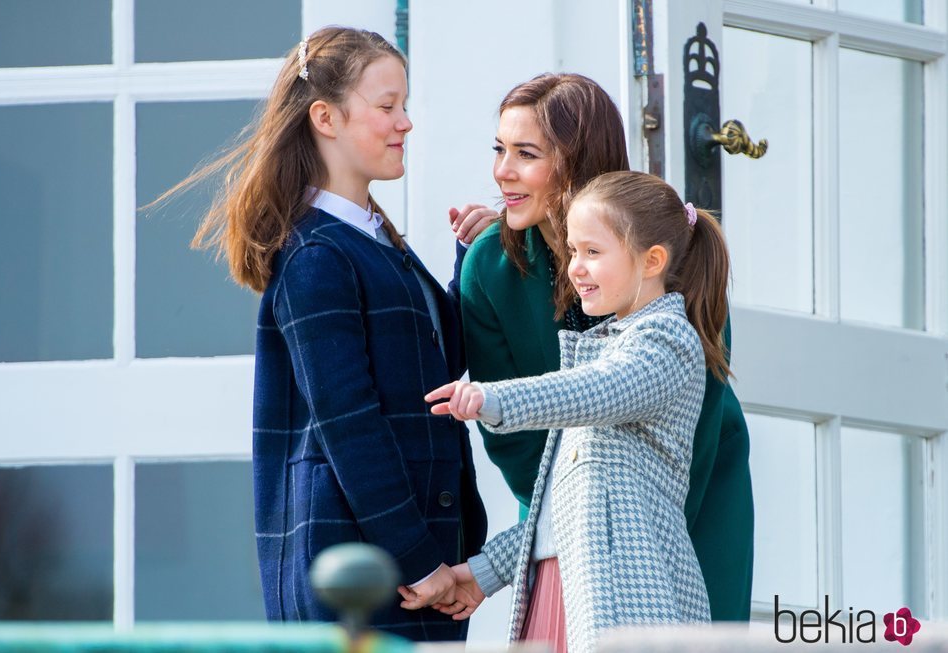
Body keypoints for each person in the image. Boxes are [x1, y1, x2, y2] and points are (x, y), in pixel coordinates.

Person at [170, 27, 489, 641]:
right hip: (365, 575)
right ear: (326, 117)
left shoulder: (372, 239)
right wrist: (418, 559)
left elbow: (433, 362)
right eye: (387, 105)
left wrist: (471, 260)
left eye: (405, 105)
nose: (406, 123)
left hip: (412, 563)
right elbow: (350, 425)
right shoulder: (317, 254)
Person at [456, 73, 753, 621]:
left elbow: (702, 416)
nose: (502, 171)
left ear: (574, 161)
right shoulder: (488, 268)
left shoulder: (662, 249)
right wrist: (573, 524)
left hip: (691, 490)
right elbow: (518, 452)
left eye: (526, 153)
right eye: (500, 149)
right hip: (565, 495)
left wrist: (645, 538)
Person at [419, 170, 730, 653]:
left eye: (592, 252)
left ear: (652, 261)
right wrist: (485, 571)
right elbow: (568, 508)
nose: (575, 268)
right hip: (567, 589)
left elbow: (595, 390)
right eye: (573, 252)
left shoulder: (667, 342)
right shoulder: (607, 345)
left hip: (625, 601)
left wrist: (496, 399)